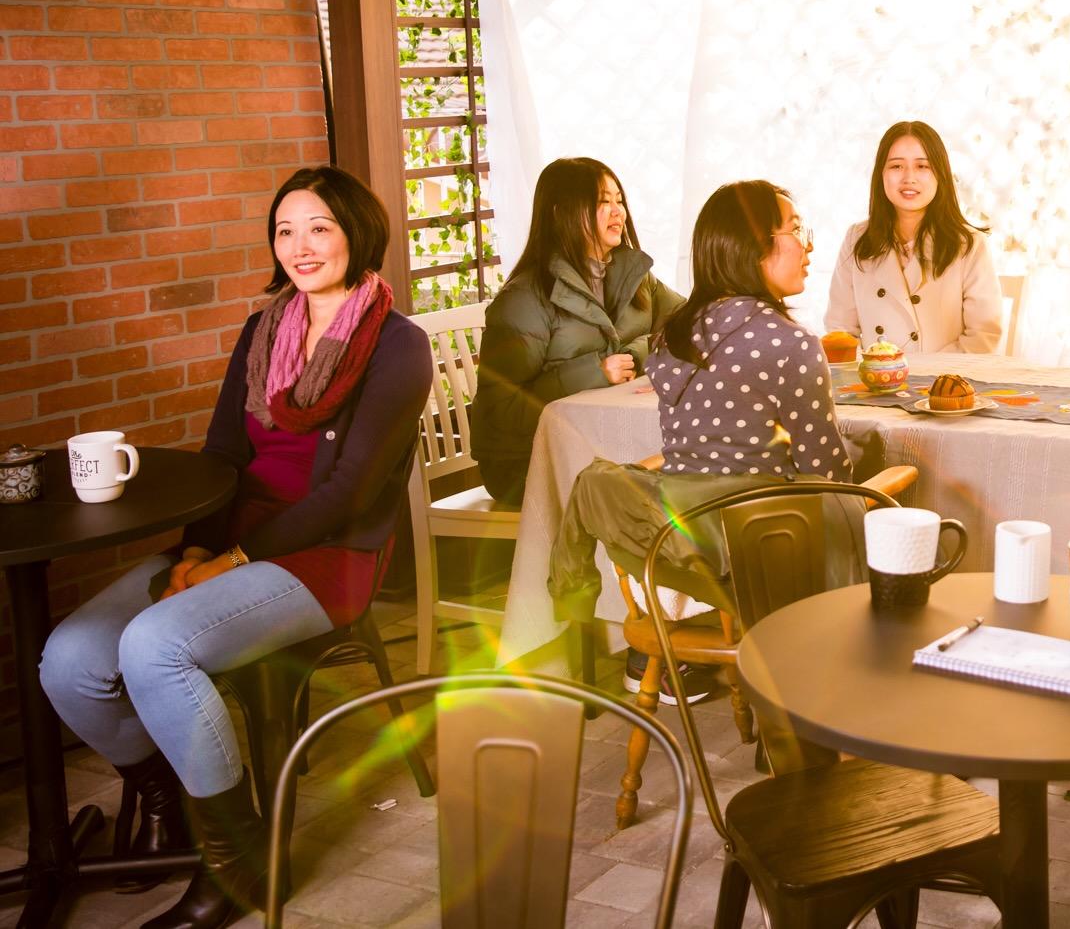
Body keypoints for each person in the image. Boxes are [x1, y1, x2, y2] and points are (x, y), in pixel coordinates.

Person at [39, 166, 432, 929]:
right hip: (232, 540)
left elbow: (349, 492)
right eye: (285, 229)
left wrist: (232, 560)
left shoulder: (398, 345)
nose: (300, 245)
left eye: (319, 226)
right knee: (71, 658)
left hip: (328, 557)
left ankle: (240, 864)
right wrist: (194, 552)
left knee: (154, 645)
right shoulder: (263, 331)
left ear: (357, 232)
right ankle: (169, 801)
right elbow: (222, 454)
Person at [472, 158, 682, 505]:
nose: (618, 212)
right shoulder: (524, 299)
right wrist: (595, 372)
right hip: (522, 463)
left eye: (619, 200)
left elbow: (686, 324)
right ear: (561, 212)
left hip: (597, 446)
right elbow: (502, 410)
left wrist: (635, 353)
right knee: (658, 492)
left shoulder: (634, 275)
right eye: (603, 202)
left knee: (696, 472)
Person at [650, 180, 858, 482]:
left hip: (684, 523)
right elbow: (827, 476)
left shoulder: (673, 336)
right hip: (773, 525)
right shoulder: (792, 345)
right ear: (754, 244)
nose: (808, 245)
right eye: (797, 230)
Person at [824, 120, 1003, 354]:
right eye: (896, 166)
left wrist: (925, 375)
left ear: (941, 174)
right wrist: (874, 372)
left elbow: (983, 336)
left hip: (943, 384)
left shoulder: (969, 245)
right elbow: (840, 329)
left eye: (922, 166)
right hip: (873, 385)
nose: (909, 178)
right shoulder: (856, 239)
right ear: (881, 175)